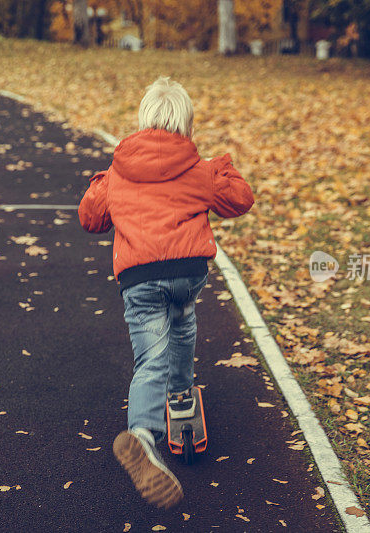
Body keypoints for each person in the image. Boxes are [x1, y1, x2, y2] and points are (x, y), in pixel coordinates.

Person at [78, 77, 254, 508]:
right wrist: (222, 165)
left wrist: (103, 182)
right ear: (187, 127)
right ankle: (181, 395)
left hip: (140, 279)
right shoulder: (199, 169)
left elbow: (91, 218)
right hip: (187, 273)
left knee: (150, 358)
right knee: (183, 320)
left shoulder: (119, 173)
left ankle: (141, 432)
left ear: (143, 121)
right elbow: (241, 200)